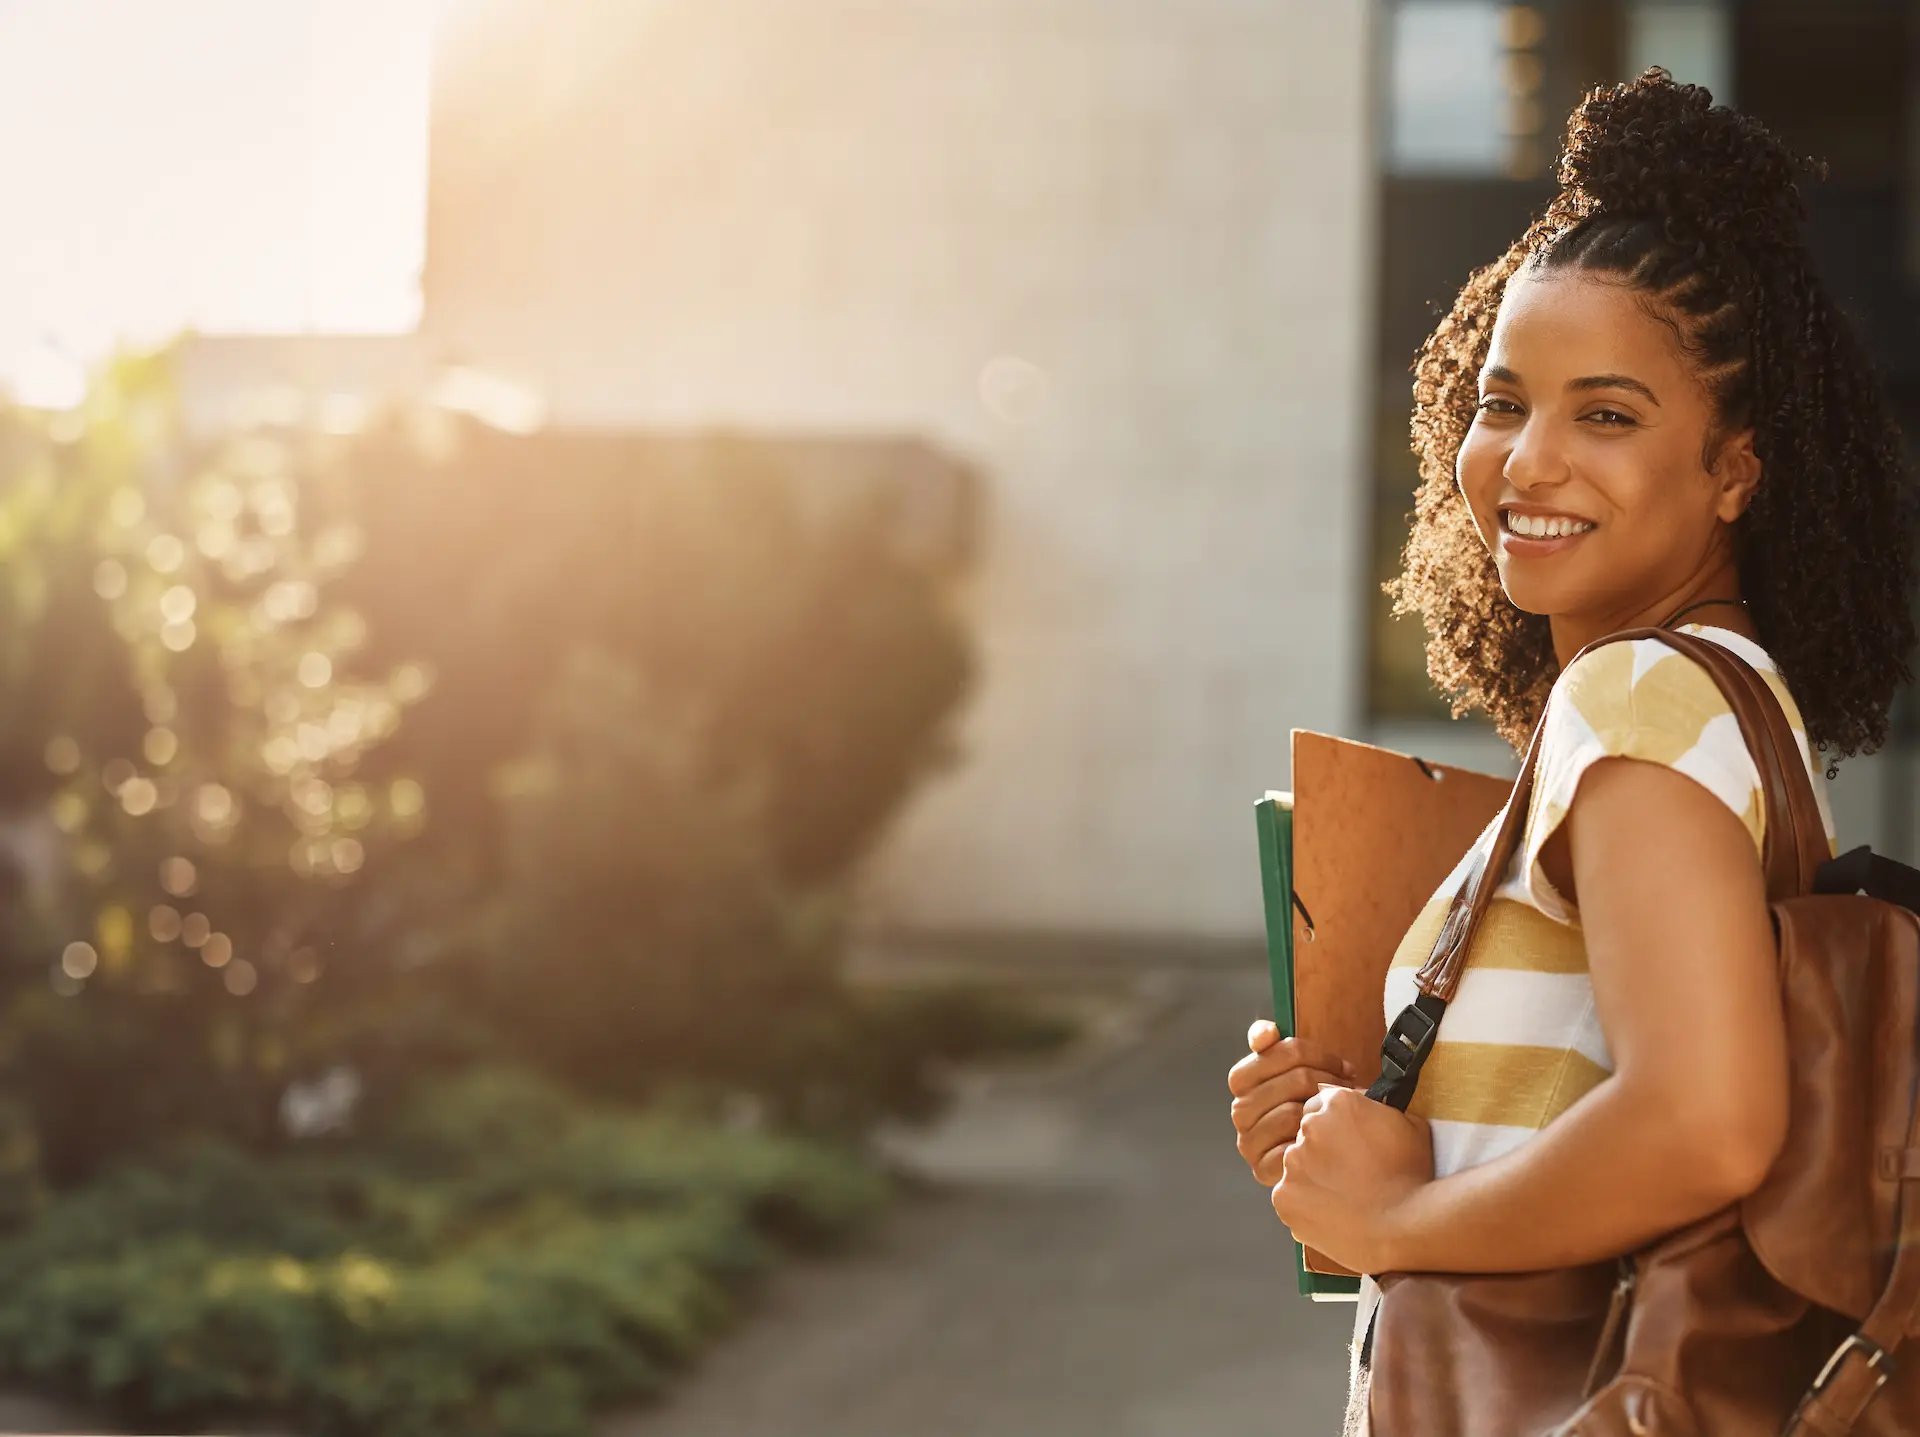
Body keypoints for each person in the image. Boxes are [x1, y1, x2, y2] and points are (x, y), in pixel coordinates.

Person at [1225, 68, 1918, 1434]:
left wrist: (1407, 1214)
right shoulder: (1730, 709)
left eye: (1606, 414)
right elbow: (1580, 1110)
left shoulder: (1638, 701)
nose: (1530, 460)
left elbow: (1707, 1121)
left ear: (1735, 470)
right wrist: (1353, 1137)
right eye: (1501, 402)